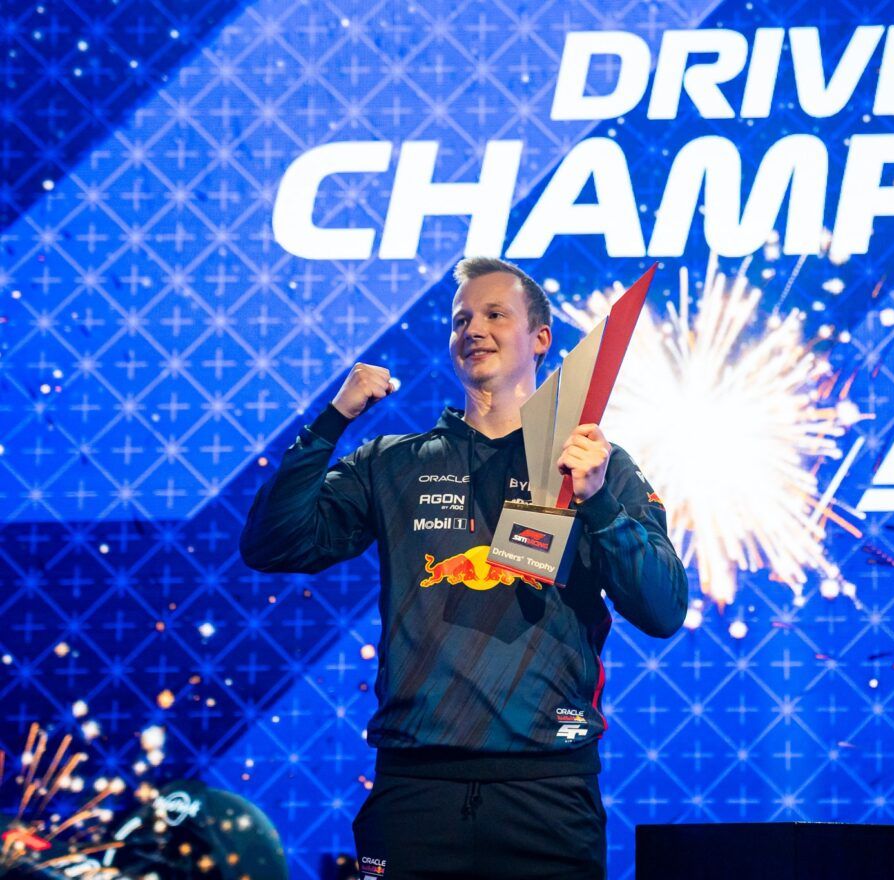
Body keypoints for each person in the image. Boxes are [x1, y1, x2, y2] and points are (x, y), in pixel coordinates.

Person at [239, 256, 689, 879]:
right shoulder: (392, 462)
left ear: (540, 338)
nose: (473, 328)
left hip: (548, 796)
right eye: (461, 320)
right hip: (414, 793)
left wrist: (598, 503)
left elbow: (664, 610)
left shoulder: (593, 465)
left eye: (495, 314)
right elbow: (271, 543)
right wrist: (333, 418)